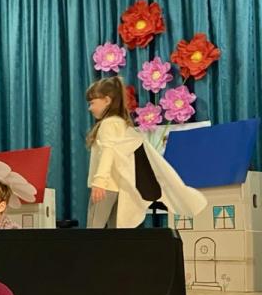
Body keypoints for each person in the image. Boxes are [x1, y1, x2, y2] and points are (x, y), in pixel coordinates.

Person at [86, 76, 206, 228]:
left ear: (107, 100)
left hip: (105, 187)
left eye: (92, 103)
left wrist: (99, 182)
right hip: (118, 188)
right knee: (116, 234)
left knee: (93, 229)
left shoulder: (108, 124)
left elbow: (108, 152)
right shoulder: (122, 124)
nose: (90, 108)